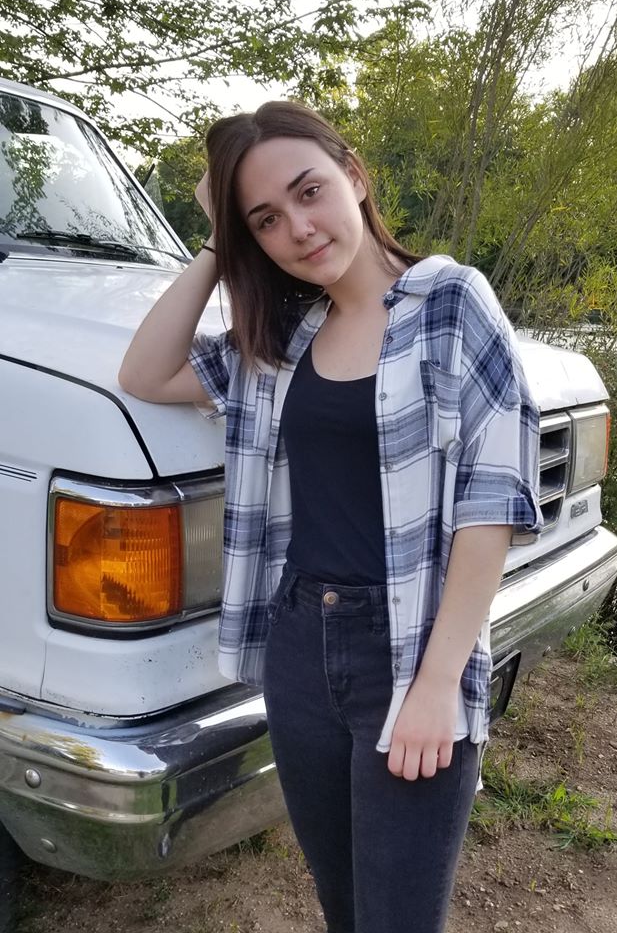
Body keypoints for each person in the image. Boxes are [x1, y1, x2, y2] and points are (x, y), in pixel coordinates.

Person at [119, 100, 543, 933]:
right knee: (343, 907)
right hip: (299, 648)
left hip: (408, 649)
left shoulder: (452, 302)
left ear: (353, 175)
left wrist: (436, 685)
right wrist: (216, 243)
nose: (299, 229)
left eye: (309, 191)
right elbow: (146, 372)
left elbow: (492, 502)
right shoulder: (281, 337)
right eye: (266, 220)